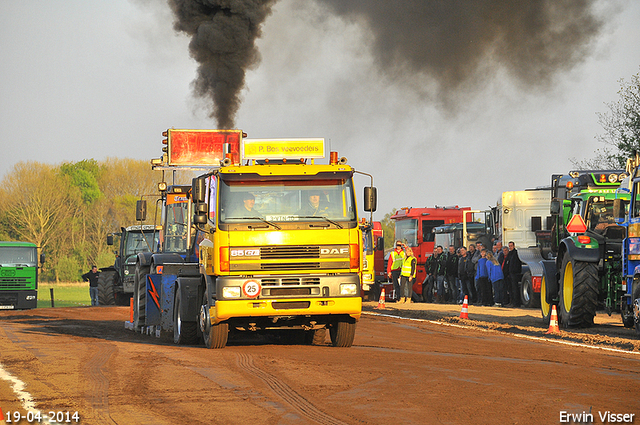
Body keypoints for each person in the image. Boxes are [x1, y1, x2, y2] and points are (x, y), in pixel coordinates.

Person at [506, 241, 523, 308]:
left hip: (515, 274)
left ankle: (516, 303)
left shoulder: (516, 254)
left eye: (511, 246)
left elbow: (517, 264)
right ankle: (512, 302)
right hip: (510, 274)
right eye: (509, 246)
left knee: (515, 289)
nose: (510, 247)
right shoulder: (509, 254)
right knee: (510, 289)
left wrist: (516, 272)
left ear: (514, 246)